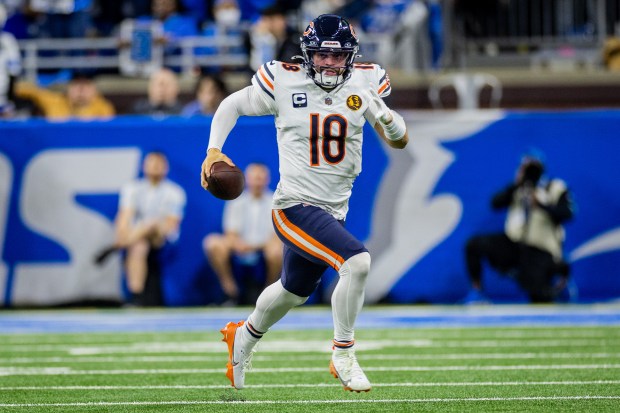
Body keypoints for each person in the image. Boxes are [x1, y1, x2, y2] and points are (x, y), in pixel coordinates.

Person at [200, 14, 409, 392]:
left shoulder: (368, 80)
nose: (329, 63)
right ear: (307, 54)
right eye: (321, 55)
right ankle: (343, 353)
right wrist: (214, 150)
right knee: (356, 262)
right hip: (293, 206)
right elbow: (231, 104)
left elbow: (400, 141)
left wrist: (387, 119)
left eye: (337, 56)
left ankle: (242, 337)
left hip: (333, 211)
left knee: (293, 291)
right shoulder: (283, 79)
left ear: (351, 55)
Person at [463, 153, 575, 304]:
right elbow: (495, 203)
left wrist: (542, 205)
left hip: (541, 249)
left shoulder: (554, 187)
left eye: (533, 168)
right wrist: (517, 184)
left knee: (540, 298)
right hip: (515, 245)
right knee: (474, 245)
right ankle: (476, 292)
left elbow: (568, 213)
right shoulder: (518, 188)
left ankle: (557, 285)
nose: (530, 173)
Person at [95, 151, 187, 306]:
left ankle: (115, 247)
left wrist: (124, 240)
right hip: (137, 236)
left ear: (166, 168)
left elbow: (171, 225)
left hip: (162, 237)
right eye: (151, 163)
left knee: (152, 223)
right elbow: (124, 217)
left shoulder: (175, 192)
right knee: (139, 246)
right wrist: (123, 235)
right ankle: (137, 296)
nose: (155, 167)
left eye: (159, 164)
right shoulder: (132, 188)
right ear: (144, 166)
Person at [203, 163, 282, 305]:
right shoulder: (236, 201)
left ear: (267, 179)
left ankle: (270, 294)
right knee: (213, 243)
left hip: (265, 247)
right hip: (240, 246)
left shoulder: (276, 201)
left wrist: (255, 246)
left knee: (277, 250)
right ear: (247, 179)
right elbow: (231, 233)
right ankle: (230, 291)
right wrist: (238, 244)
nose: (257, 181)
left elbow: (276, 235)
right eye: (254, 177)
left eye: (260, 177)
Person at [14, 72, 115, 120]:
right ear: (68, 89)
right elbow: (21, 88)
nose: (81, 91)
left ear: (95, 92)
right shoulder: (54, 100)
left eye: (86, 86)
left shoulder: (102, 106)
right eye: (76, 85)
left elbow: (106, 129)